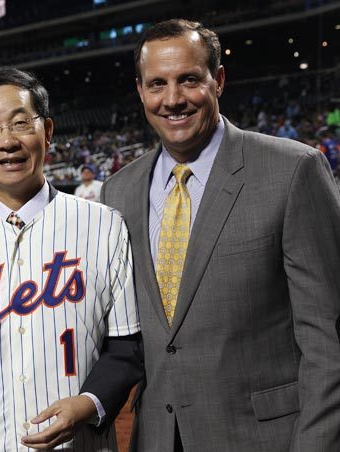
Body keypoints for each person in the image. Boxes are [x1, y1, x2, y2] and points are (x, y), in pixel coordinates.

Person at [100, 19, 340, 452]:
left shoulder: (292, 170)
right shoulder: (118, 191)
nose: (172, 99)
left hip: (264, 438)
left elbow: (329, 336)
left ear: (219, 80)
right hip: (157, 438)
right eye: (157, 84)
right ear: (140, 91)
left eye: (189, 79)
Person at [0, 67, 144, 451]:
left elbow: (126, 346)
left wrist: (88, 404)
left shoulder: (104, 225)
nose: (7, 141)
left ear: (48, 131)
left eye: (21, 123)